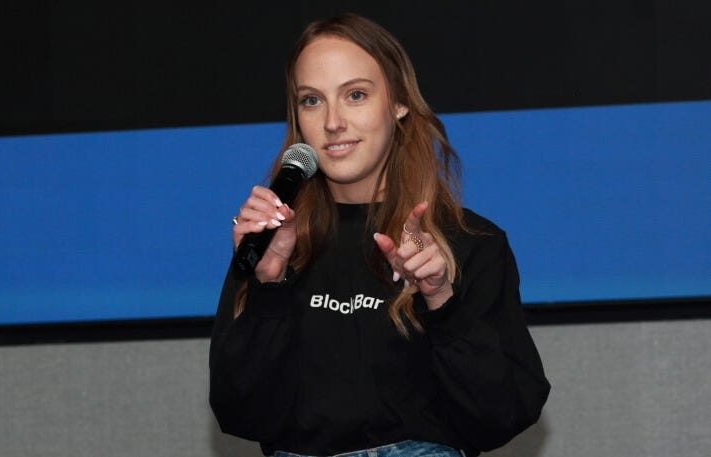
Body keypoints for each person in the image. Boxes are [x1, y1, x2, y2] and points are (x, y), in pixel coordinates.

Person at [209, 13, 550, 457]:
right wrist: (268, 286)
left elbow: (503, 415)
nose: (333, 122)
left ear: (399, 103)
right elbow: (240, 415)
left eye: (355, 95)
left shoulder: (470, 242)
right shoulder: (270, 242)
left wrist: (441, 301)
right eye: (311, 101)